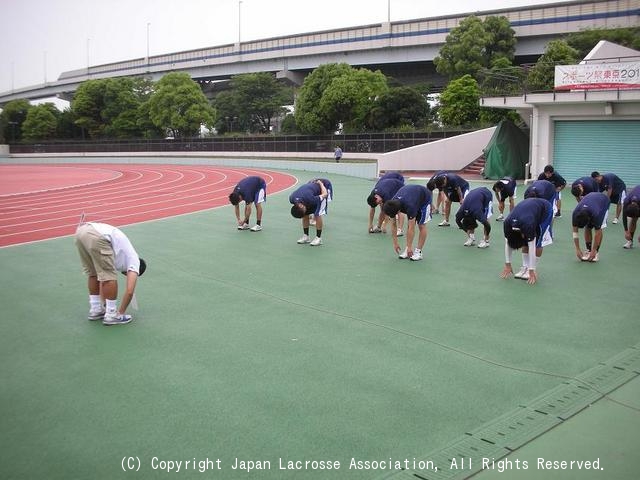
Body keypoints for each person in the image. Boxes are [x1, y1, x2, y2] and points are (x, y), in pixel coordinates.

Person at [75, 222, 146, 325]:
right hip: (98, 236)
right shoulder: (134, 261)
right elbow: (130, 291)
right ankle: (112, 315)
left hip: (81, 232)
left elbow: (101, 279)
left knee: (94, 273)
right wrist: (120, 313)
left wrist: (104, 304)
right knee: (110, 277)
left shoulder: (122, 257)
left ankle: (96, 309)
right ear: (138, 270)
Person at [500, 197, 553, 285]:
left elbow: (532, 247)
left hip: (545, 210)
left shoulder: (528, 225)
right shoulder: (507, 224)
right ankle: (525, 267)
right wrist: (508, 265)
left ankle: (530, 268)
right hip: (529, 212)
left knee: (538, 242)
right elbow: (507, 243)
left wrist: (532, 270)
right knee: (526, 241)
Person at [382, 184, 431, 261]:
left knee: (421, 225)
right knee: (410, 224)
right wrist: (395, 243)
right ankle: (407, 249)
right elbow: (394, 224)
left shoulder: (410, 206)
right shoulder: (391, 204)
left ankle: (418, 251)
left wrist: (409, 246)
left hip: (424, 199)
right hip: (412, 196)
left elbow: (411, 228)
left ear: (398, 211)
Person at [289, 178, 333, 246]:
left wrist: (321, 184)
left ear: (301, 206)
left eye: (303, 210)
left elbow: (325, 194)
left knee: (317, 214)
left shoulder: (310, 198)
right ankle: (306, 236)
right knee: (305, 215)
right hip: (311, 192)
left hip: (324, 187)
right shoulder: (292, 199)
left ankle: (318, 238)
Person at [571, 192, 610, 262]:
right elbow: (575, 232)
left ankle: (596, 252)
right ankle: (589, 250)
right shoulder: (575, 213)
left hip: (603, 202)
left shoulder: (596, 214)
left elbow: (597, 233)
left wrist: (594, 250)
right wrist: (577, 249)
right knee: (588, 227)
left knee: (599, 228)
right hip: (590, 199)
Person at [622, 185, 640, 249]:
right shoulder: (626, 201)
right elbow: (624, 217)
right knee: (633, 220)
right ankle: (630, 241)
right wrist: (627, 231)